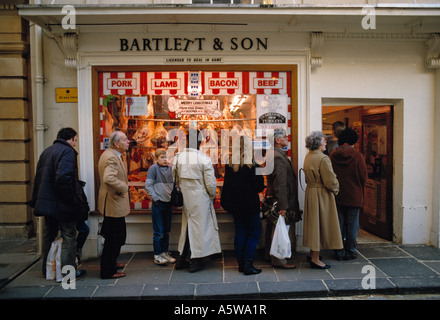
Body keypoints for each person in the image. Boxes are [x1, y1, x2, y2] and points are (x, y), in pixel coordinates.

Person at [29, 127, 88, 281]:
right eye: (76, 140)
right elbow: (63, 178)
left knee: (49, 234)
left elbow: (39, 179)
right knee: (69, 236)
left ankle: (47, 270)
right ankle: (68, 273)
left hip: (48, 203)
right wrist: (73, 201)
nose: (76, 144)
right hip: (62, 203)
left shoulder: (47, 151)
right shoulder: (67, 152)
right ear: (72, 138)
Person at [173, 129, 221, 273]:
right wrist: (212, 195)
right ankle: (195, 260)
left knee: (187, 227)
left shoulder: (178, 157)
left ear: (186, 141)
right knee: (200, 229)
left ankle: (182, 258)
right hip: (201, 197)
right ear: (201, 142)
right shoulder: (203, 159)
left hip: (186, 196)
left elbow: (174, 179)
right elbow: (211, 184)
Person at [221, 135, 265, 275]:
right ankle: (248, 264)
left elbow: (226, 186)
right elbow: (259, 187)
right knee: (253, 234)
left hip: (236, 205)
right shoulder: (253, 165)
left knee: (240, 232)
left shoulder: (230, 165)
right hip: (250, 205)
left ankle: (241, 264)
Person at [303, 131, 343, 269]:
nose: (326, 143)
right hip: (321, 193)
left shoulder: (309, 156)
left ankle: (312, 253)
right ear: (318, 143)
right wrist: (336, 189)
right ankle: (315, 258)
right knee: (320, 224)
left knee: (314, 224)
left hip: (311, 192)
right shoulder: (323, 158)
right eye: (324, 141)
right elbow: (330, 180)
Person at [264, 128, 300, 269]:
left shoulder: (274, 154)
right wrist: (283, 206)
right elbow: (280, 183)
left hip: (276, 198)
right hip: (280, 200)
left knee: (273, 228)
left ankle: (270, 255)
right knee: (279, 229)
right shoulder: (277, 156)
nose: (287, 138)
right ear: (278, 140)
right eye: (285, 137)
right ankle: (279, 260)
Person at [330, 128, 367, 260]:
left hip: (337, 194)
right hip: (354, 195)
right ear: (353, 140)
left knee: (338, 224)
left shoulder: (333, 154)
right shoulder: (357, 156)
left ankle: (338, 251)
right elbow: (363, 176)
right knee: (352, 225)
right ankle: (350, 251)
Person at [98, 130, 130, 279]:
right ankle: (108, 271)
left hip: (113, 201)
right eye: (125, 140)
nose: (128, 141)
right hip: (113, 201)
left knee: (117, 236)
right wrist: (124, 187)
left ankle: (112, 262)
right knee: (113, 238)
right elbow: (108, 178)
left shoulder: (113, 154)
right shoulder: (111, 157)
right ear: (117, 143)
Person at [145, 148, 176, 265]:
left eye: (166, 157)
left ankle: (165, 252)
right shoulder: (153, 169)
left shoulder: (171, 169)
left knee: (167, 230)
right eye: (162, 157)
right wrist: (156, 199)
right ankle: (157, 255)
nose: (165, 159)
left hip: (168, 203)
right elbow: (148, 186)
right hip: (158, 203)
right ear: (156, 159)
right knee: (158, 231)